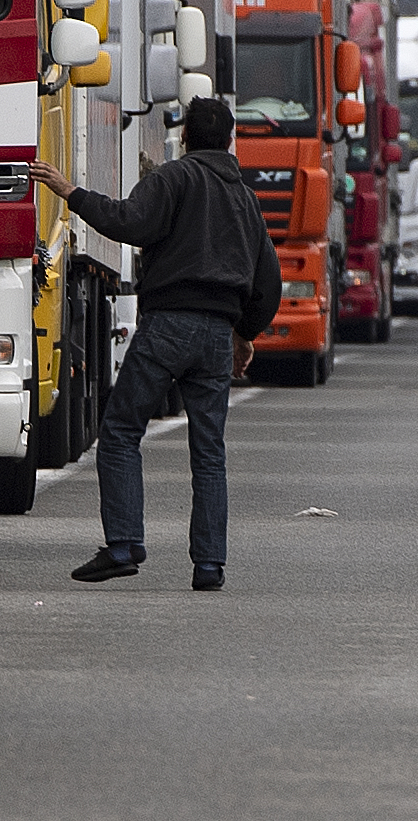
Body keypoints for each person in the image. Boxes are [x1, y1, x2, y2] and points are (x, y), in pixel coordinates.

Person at [28, 96, 282, 591]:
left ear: (185, 136)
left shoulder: (174, 178)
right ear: (231, 141)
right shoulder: (245, 200)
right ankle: (209, 566)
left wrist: (69, 191)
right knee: (209, 453)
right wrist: (243, 333)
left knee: (122, 430)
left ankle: (123, 544)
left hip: (168, 325)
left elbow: (128, 223)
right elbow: (266, 282)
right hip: (215, 337)